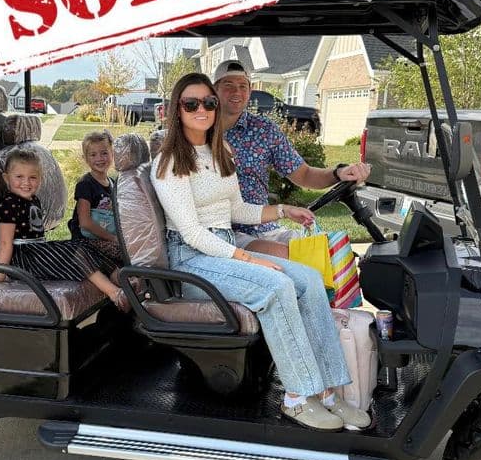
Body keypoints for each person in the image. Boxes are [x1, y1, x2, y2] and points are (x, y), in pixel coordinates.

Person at [151, 73, 371, 432]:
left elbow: (238, 210)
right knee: (277, 285)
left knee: (310, 280)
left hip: (221, 248)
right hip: (192, 260)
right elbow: (190, 232)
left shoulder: (219, 152)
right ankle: (297, 397)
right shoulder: (171, 162)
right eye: (192, 103)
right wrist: (247, 258)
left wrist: (283, 210)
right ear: (178, 109)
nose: (202, 109)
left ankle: (330, 392)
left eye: (208, 102)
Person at [212, 59, 372, 258]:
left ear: (250, 90)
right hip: (223, 232)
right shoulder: (200, 132)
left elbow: (303, 174)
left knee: (333, 253)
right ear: (214, 90)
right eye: (228, 86)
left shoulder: (263, 130)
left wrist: (338, 173)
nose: (237, 92)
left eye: (243, 86)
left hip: (263, 227)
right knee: (294, 256)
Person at [0, 148, 130, 312]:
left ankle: (124, 280)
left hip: (37, 251)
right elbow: (5, 243)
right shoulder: (7, 204)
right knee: (76, 251)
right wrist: (0, 273)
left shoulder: (33, 199)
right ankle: (115, 293)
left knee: (84, 244)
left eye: (33, 178)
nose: (26, 182)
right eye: (19, 177)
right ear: (6, 178)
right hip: (24, 259)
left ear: (40, 179)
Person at [67, 130, 122, 263]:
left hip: (104, 237)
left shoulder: (113, 183)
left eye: (104, 153)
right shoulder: (85, 184)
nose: (100, 158)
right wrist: (113, 238)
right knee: (124, 253)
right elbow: (85, 223)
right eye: (93, 155)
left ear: (112, 154)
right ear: (85, 158)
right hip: (86, 242)